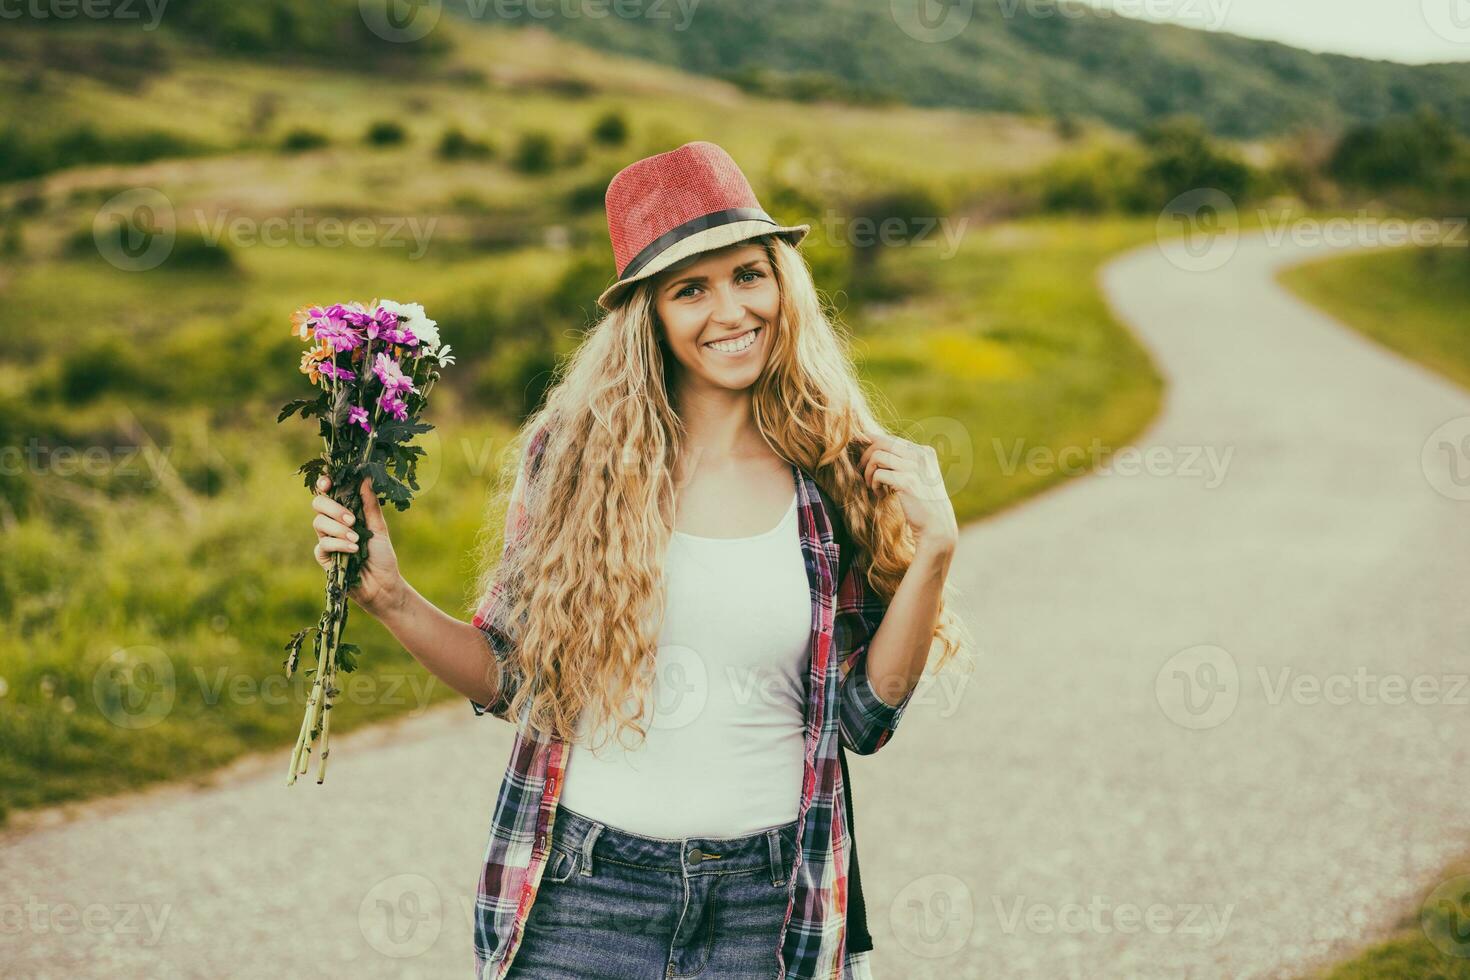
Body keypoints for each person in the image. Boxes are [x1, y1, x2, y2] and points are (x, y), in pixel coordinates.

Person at [310, 141, 971, 979]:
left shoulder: (835, 468)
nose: (731, 310)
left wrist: (934, 554)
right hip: (587, 901)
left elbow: (864, 721)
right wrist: (393, 599)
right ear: (648, 314)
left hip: (771, 908)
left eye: (747, 275)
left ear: (782, 284)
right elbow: (514, 680)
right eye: (690, 289)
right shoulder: (575, 462)